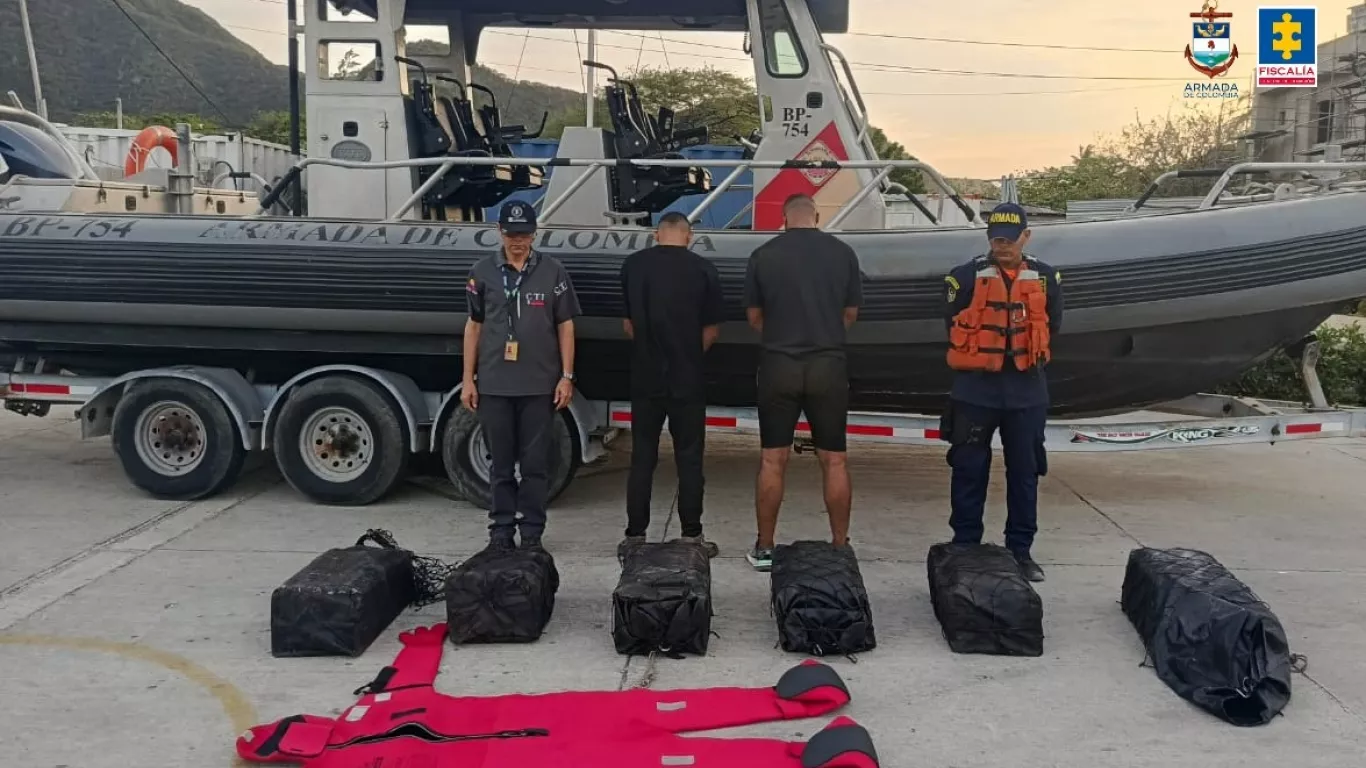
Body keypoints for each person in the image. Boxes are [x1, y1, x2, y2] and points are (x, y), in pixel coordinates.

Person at [940, 201, 1063, 583]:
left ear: (1026, 236)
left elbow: (1053, 325)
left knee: (1025, 473)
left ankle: (1020, 552)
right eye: (996, 238)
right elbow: (952, 325)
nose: (1002, 245)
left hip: (1026, 393)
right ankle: (964, 546)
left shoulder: (1046, 278)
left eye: (1010, 239)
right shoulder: (964, 276)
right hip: (976, 392)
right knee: (968, 470)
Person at [742, 193, 863, 571]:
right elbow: (850, 313)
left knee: (772, 459)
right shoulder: (843, 253)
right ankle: (840, 546)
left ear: (784, 217)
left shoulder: (763, 255)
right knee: (835, 460)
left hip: (779, 364)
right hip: (828, 364)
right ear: (816, 216)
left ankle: (764, 548)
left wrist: (783, 336)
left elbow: (754, 317)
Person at [461, 200, 581, 553]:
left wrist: (567, 375)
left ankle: (531, 532)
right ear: (500, 232)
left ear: (535, 233)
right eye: (512, 234)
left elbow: (566, 325)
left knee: (535, 464)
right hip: (496, 384)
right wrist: (468, 378)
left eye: (525, 234)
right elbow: (473, 326)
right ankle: (500, 531)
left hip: (539, 385)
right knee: (499, 463)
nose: (518, 241)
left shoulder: (553, 271)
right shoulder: (482, 271)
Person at [616, 212, 725, 561]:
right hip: (687, 378)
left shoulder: (632, 267)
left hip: (644, 377)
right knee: (690, 458)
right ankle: (692, 535)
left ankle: (635, 535)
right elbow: (712, 330)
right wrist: (689, 354)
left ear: (655, 234)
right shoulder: (705, 270)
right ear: (689, 236)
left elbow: (628, 326)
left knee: (642, 458)